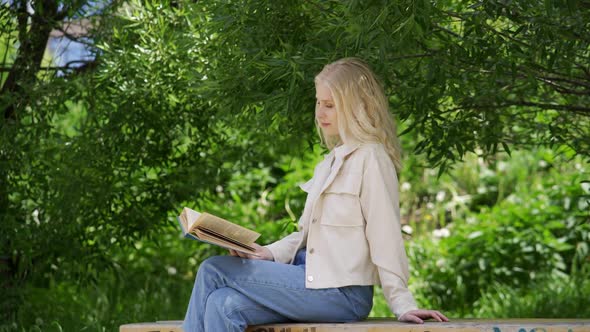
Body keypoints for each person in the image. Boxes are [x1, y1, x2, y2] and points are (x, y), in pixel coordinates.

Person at [182, 57, 449, 332]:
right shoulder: (330, 162)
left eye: (330, 105)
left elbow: (385, 234)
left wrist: (403, 303)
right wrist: (267, 253)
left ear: (356, 108)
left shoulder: (371, 158)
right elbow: (305, 234)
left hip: (341, 293)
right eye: (319, 102)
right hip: (306, 279)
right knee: (222, 304)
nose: (321, 112)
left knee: (212, 270)